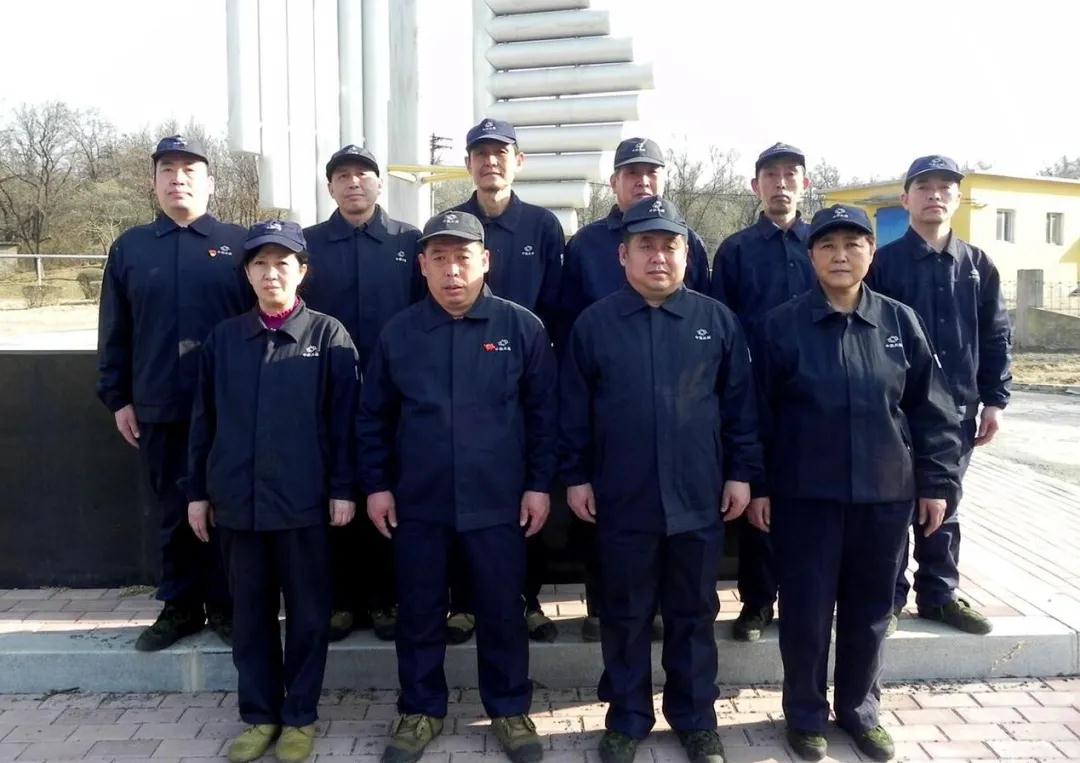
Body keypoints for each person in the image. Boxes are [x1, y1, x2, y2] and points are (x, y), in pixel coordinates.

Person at [750, 204, 962, 762]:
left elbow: (933, 411)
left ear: (871, 252)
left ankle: (860, 711)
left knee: (871, 611)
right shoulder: (780, 326)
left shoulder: (899, 323)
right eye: (827, 245)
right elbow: (756, 415)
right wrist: (759, 485)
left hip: (884, 496)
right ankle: (804, 715)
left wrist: (936, 483)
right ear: (811, 255)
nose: (840, 256)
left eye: (853, 244)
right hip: (805, 498)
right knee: (806, 612)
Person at [559, 196, 761, 763]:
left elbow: (740, 409)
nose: (658, 257)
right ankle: (627, 718)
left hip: (698, 497)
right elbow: (572, 411)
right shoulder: (594, 324)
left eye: (669, 246)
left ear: (687, 255)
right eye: (645, 245)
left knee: (693, 613)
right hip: (621, 497)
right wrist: (576, 476)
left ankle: (695, 718)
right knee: (624, 615)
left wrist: (741, 474)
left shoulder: (716, 322)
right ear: (622, 256)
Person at [357, 210, 557, 763]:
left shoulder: (522, 328)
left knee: (501, 611)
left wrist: (539, 485)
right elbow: (372, 417)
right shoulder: (400, 333)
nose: (452, 271)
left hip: (499, 501)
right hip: (418, 502)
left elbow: (545, 416)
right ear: (421, 265)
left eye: (463, 257)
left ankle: (509, 708)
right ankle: (420, 709)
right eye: (439, 258)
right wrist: (377, 485)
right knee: (419, 612)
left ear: (485, 261)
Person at [186, 220, 358, 763]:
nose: (271, 274)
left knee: (308, 617)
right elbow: (204, 421)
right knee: (251, 617)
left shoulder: (328, 336)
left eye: (282, 263)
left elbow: (346, 424)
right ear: (247, 273)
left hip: (304, 504)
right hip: (238, 504)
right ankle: (260, 716)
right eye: (259, 263)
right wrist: (198, 492)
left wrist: (343, 488)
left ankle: (300, 717)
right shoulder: (224, 339)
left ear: (302, 271)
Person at [97, 134, 250, 651]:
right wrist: (117, 396)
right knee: (171, 509)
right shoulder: (131, 248)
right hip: (158, 404)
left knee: (227, 506)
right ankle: (180, 605)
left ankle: (227, 604)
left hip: (230, 406)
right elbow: (115, 329)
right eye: (167, 170)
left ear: (210, 182)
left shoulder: (240, 245)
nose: (177, 179)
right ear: (154, 182)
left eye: (189, 170)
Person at [558, 137, 712, 642]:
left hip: (680, 413)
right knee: (611, 535)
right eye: (632, 173)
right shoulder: (585, 245)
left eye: (651, 172)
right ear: (615, 182)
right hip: (610, 402)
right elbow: (566, 320)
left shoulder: (690, 242)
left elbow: (700, 319)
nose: (642, 181)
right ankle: (603, 607)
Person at [867, 155, 1012, 637]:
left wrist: (995, 400)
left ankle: (939, 595)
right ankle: (888, 598)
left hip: (957, 411)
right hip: (897, 410)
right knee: (894, 505)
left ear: (957, 198)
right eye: (924, 186)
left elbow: (996, 334)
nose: (935, 195)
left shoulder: (977, 265)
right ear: (905, 198)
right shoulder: (883, 264)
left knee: (944, 503)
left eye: (945, 187)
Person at [446, 118, 565, 644]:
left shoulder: (542, 225)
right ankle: (464, 602)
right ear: (468, 164)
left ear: (519, 161)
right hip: (460, 376)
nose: (490, 162)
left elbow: (557, 302)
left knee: (527, 491)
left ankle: (528, 598)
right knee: (462, 490)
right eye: (481, 154)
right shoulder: (451, 223)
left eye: (500, 153)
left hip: (523, 374)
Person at [303, 143, 423, 643]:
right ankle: (339, 600)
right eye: (343, 176)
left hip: (394, 394)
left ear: (379, 183)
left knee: (387, 490)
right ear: (330, 187)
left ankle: (384, 598)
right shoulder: (307, 244)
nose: (354, 182)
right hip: (324, 391)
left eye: (363, 174)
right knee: (334, 492)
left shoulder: (409, 241)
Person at [709, 142, 815, 643]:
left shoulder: (824, 243)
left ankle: (808, 599)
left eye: (790, 175)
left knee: (811, 498)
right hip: (756, 394)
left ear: (804, 184)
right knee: (758, 498)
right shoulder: (736, 250)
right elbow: (723, 324)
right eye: (770, 176)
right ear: (755, 186)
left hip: (816, 393)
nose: (781, 184)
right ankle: (756, 601)